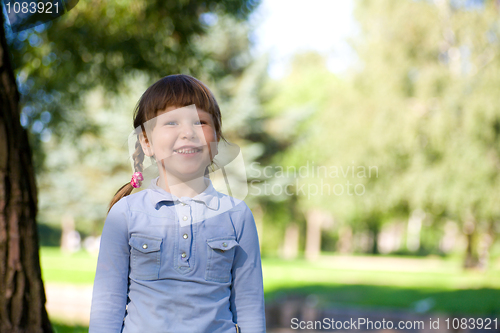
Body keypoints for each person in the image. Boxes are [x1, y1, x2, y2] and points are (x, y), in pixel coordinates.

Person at [89, 74, 266, 333]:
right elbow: (107, 306)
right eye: (171, 122)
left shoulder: (237, 216)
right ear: (146, 142)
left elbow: (250, 309)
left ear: (216, 141)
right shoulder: (125, 214)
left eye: (200, 122)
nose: (187, 133)